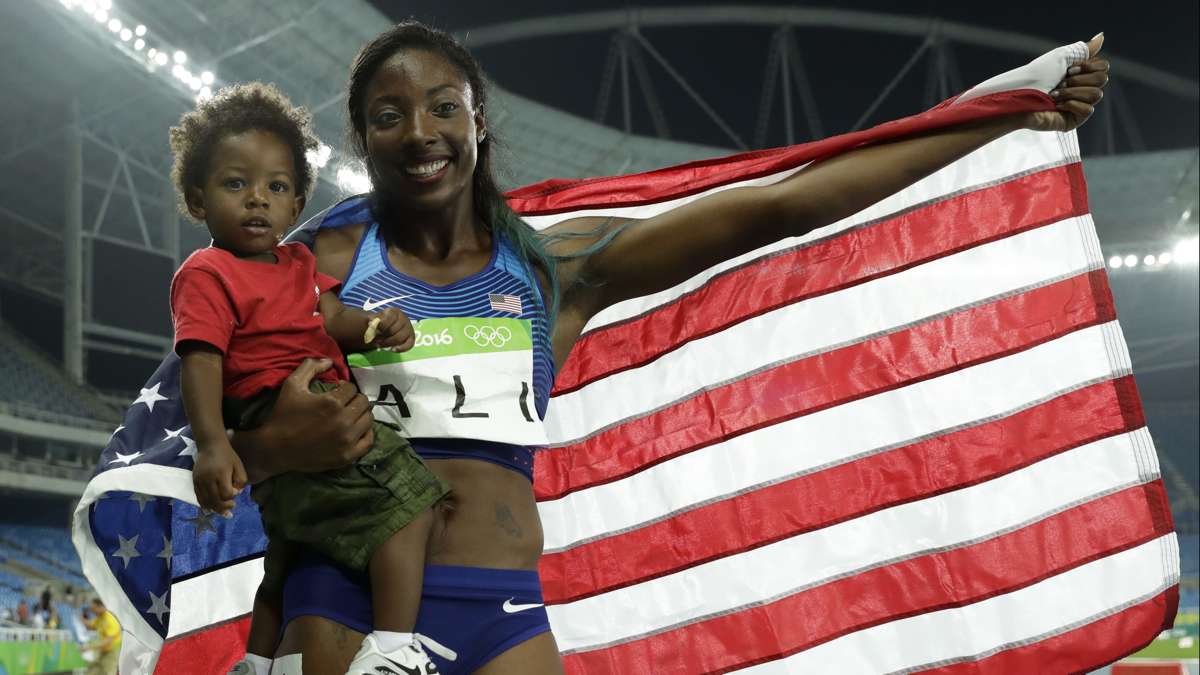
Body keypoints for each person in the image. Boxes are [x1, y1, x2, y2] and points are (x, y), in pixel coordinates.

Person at [228, 22, 1110, 674]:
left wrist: (1001, 113)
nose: (421, 131)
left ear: (478, 121)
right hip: (350, 599)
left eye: (442, 107)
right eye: (389, 115)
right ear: (362, 139)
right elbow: (221, 436)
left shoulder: (556, 268)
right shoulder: (323, 268)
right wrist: (274, 445)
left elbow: (782, 206)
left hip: (503, 612)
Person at [167, 82, 450, 674]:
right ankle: (394, 648)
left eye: (275, 187)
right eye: (235, 183)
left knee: (291, 550)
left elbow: (334, 321)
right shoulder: (207, 272)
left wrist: (376, 328)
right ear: (198, 199)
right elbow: (201, 358)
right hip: (281, 402)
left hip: (300, 414)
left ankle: (257, 662)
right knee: (415, 504)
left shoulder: (299, 264)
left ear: (296, 206)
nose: (256, 200)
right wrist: (214, 444)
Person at [81, 597, 120, 675]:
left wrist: (89, 647)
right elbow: (90, 626)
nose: (93, 611)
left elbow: (107, 642)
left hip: (111, 653)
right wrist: (82, 617)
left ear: (101, 606)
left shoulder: (111, 620)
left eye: (94, 608)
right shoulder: (100, 618)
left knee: (108, 672)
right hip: (102, 652)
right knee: (91, 672)